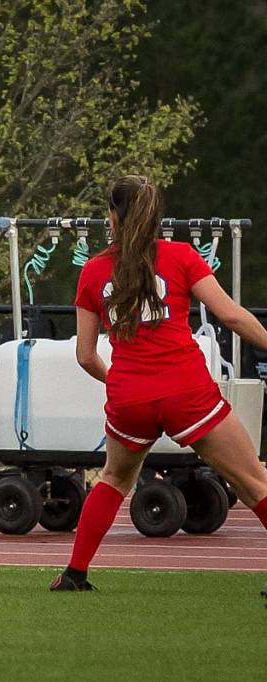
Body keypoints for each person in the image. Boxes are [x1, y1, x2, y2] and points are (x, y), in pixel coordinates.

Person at [51, 174, 267, 592]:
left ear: (112, 216)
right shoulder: (181, 256)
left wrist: (122, 383)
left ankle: (75, 574)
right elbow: (233, 317)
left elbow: (84, 355)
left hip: (130, 397)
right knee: (252, 479)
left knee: (114, 479)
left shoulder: (94, 271)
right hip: (187, 390)